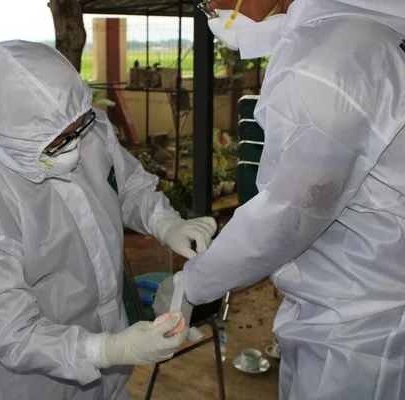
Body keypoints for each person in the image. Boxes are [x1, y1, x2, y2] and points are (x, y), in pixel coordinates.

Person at [155, 0, 405, 398]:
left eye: (210, 1)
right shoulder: (360, 35)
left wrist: (194, 283)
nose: (211, 13)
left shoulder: (327, 59)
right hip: (361, 292)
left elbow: (292, 211)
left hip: (360, 322)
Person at [0, 40, 218, 400]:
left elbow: (129, 185)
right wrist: (107, 350)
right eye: (60, 141)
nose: (75, 142)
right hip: (42, 381)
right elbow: (13, 332)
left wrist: (167, 223)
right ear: (21, 138)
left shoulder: (83, 124)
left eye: (78, 126)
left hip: (111, 360)